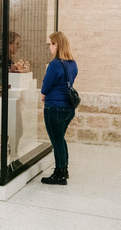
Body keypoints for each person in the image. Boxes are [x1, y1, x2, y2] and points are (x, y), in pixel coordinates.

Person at [40, 31, 78, 185]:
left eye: (51, 44)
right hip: (68, 108)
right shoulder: (72, 63)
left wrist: (43, 95)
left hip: (54, 107)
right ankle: (64, 170)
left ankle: (59, 174)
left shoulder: (55, 64)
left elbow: (46, 86)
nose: (49, 47)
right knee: (60, 139)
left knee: (56, 141)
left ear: (57, 45)